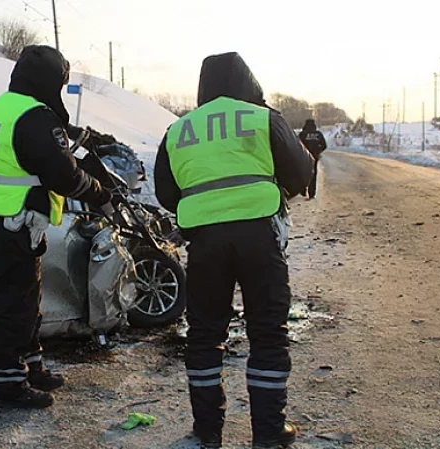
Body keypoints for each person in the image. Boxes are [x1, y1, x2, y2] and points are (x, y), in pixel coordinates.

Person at [153, 52, 313, 448]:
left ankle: (207, 433)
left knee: (205, 335)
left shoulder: (178, 130)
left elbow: (166, 193)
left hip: (205, 243)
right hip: (259, 237)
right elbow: (300, 173)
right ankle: (268, 434)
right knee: (267, 333)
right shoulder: (261, 117)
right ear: (248, 81)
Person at [0, 45, 114, 410]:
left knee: (27, 295)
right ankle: (10, 385)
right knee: (15, 302)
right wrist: (99, 191)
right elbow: (62, 174)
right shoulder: (35, 117)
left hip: (1, 216)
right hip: (16, 220)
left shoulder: (0, 107)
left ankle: (32, 365)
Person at [298, 118, 328, 199]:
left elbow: (297, 145)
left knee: (303, 173)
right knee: (313, 175)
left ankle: (303, 190)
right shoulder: (318, 134)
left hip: (304, 157)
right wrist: (318, 151)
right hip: (314, 157)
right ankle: (312, 194)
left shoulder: (302, 134)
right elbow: (324, 145)